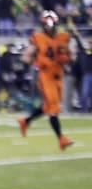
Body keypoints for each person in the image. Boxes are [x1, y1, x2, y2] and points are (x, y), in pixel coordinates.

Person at [18, 10, 74, 150]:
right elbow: (25, 57)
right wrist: (36, 63)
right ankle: (61, 138)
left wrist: (67, 58)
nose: (48, 27)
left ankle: (25, 121)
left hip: (58, 75)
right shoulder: (38, 37)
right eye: (46, 25)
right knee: (53, 107)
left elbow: (72, 55)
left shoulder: (63, 37)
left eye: (51, 24)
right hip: (45, 76)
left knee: (47, 107)